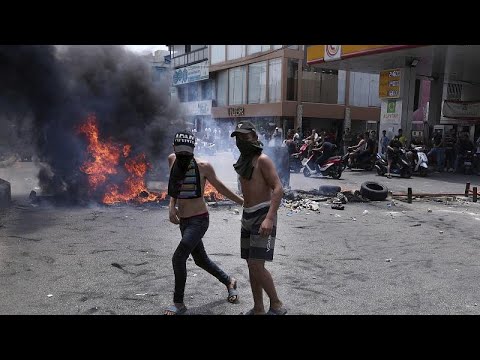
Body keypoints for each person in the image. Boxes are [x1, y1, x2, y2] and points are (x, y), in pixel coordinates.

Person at [164, 131, 244, 315]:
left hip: (199, 220)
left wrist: (242, 202)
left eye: (187, 152)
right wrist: (171, 206)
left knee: (178, 257)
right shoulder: (171, 160)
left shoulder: (203, 166)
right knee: (200, 259)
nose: (183, 155)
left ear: (193, 150)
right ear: (174, 148)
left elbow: (220, 187)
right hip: (184, 221)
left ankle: (178, 303)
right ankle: (229, 281)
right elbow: (174, 185)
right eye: (180, 151)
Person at [230, 121, 287, 315]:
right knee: (251, 264)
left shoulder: (263, 160)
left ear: (254, 137)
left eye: (245, 137)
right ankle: (258, 308)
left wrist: (269, 218)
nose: (241, 141)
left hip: (262, 215)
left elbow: (278, 189)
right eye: (238, 138)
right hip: (248, 215)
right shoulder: (244, 161)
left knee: (256, 264)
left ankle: (277, 304)